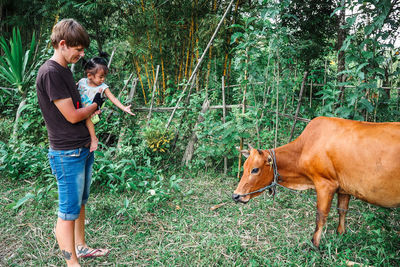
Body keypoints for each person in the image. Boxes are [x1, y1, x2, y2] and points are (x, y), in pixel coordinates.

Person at [36, 18, 109, 266]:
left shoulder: (65, 70)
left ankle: (81, 247)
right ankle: (72, 263)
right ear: (63, 44)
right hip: (66, 152)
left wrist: (90, 129)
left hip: (81, 147)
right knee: (67, 211)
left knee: (79, 204)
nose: (82, 54)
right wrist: (95, 105)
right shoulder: (51, 73)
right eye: (78, 49)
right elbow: (72, 114)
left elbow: (78, 107)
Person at [78, 56, 134, 152]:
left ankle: (94, 139)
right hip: (78, 110)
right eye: (101, 76)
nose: (103, 79)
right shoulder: (82, 82)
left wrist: (124, 108)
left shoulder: (103, 87)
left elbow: (113, 98)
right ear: (89, 76)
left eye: (104, 76)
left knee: (88, 119)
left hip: (90, 113)